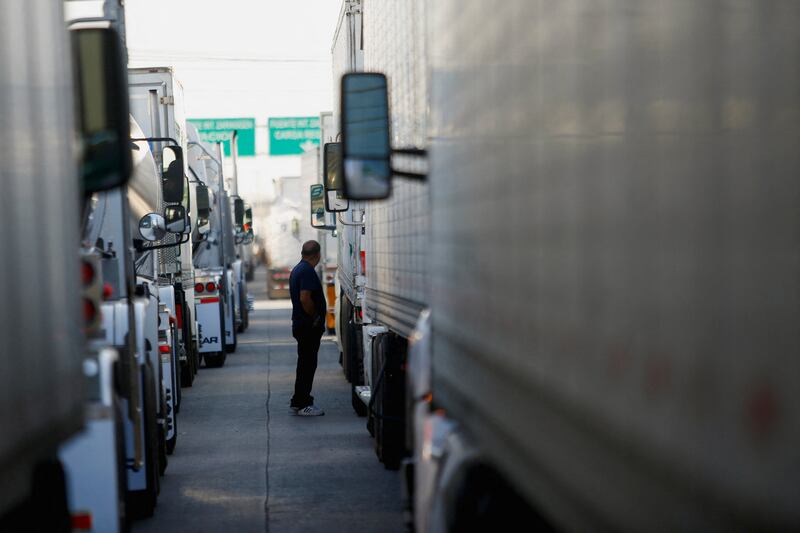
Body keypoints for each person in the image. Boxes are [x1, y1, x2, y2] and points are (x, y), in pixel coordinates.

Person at [288, 240, 327, 416]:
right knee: (307, 365)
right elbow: (305, 298)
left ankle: (298, 400)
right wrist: (316, 317)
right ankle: (304, 404)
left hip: (301, 325)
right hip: (307, 327)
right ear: (317, 255)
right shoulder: (307, 271)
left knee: (304, 363)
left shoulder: (298, 269)